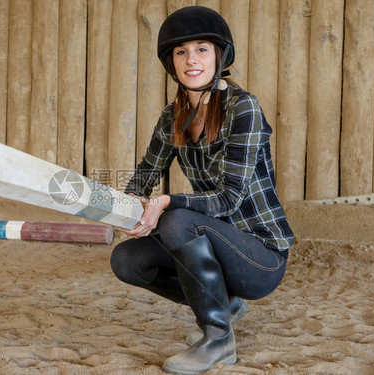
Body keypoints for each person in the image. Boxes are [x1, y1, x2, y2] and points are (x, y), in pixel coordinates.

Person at [110, 6, 295, 374]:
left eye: (201, 49)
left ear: (219, 56)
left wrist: (163, 202)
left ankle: (218, 340)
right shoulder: (172, 116)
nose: (191, 60)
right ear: (171, 62)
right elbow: (147, 172)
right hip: (214, 243)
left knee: (177, 220)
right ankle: (225, 305)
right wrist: (125, 205)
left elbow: (230, 198)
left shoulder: (244, 108)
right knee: (127, 260)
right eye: (181, 52)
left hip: (260, 255)